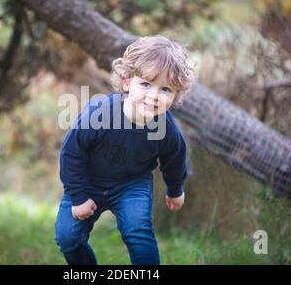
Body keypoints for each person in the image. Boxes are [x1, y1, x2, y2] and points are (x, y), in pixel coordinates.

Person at [55, 35, 196, 265]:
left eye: (166, 89)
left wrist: (175, 189)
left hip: (132, 185)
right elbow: (72, 153)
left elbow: (174, 160)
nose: (154, 96)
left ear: (175, 96)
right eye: (146, 84)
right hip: (88, 181)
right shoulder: (100, 114)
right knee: (67, 237)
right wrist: (79, 197)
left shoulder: (167, 129)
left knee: (137, 231)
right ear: (127, 82)